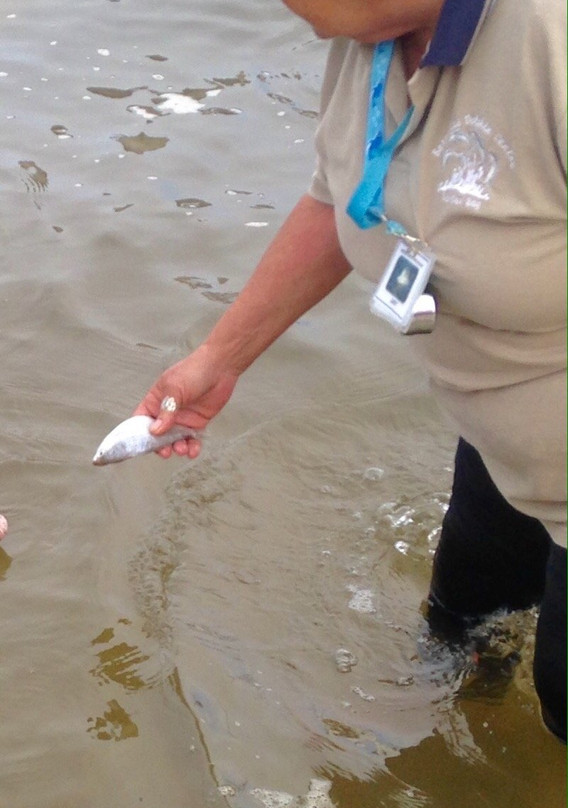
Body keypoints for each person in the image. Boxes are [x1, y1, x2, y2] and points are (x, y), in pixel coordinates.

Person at [131, 0, 566, 740]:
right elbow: (344, 197)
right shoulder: (371, 31)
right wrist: (219, 359)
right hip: (500, 445)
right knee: (460, 629)